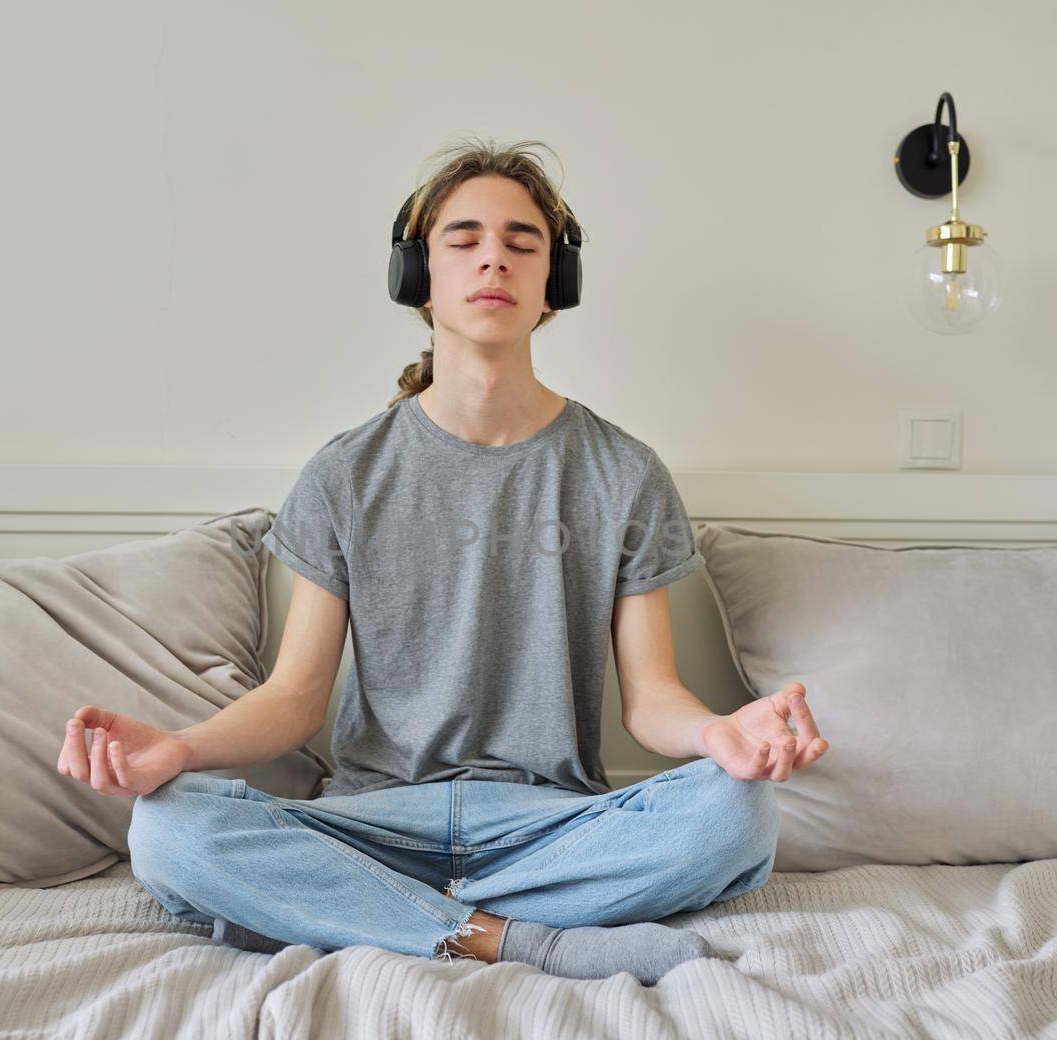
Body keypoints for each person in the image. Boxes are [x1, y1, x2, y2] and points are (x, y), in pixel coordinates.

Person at [56, 137, 830, 986]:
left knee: (736, 813)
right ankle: (521, 941)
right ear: (418, 274)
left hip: (549, 824)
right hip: (374, 819)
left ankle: (348, 913)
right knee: (168, 829)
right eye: (462, 239)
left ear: (553, 284)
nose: (492, 255)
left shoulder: (624, 472)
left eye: (521, 241)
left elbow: (653, 699)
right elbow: (292, 698)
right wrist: (177, 748)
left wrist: (720, 734)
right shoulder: (345, 473)